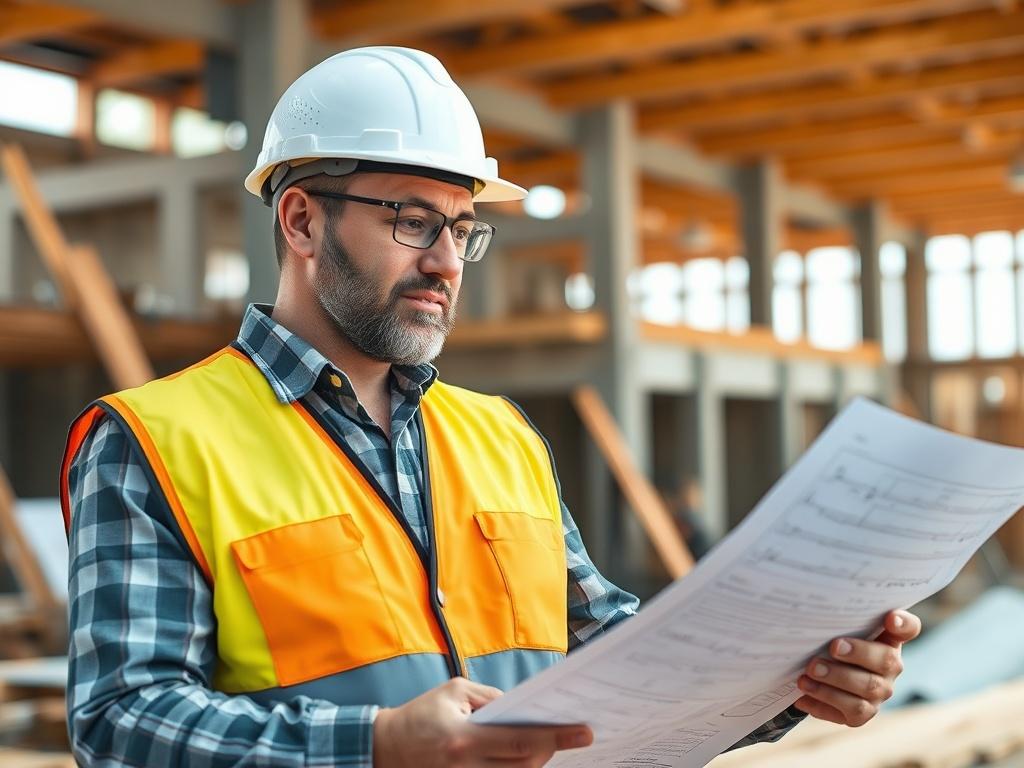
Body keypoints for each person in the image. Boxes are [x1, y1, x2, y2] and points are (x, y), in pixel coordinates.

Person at [60, 46, 920, 767]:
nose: (446, 261)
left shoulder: (501, 435)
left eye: (462, 228)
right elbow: (121, 721)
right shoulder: (155, 440)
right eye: (411, 221)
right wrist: (377, 745)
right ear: (300, 221)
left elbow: (612, 653)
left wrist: (796, 677)